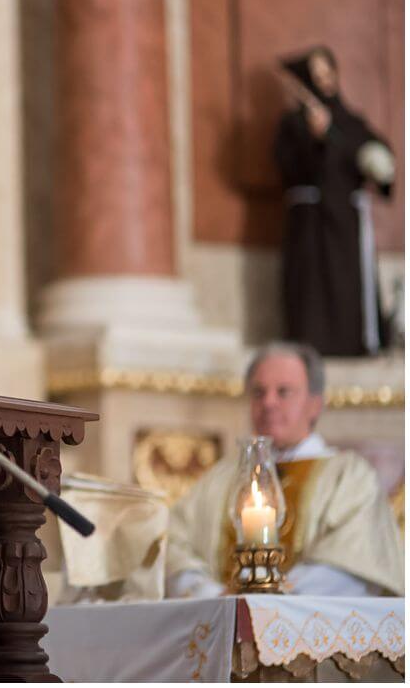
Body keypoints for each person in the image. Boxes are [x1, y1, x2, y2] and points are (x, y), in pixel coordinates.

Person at [166, 343, 402, 598]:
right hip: (220, 623)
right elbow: (173, 550)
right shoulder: (219, 480)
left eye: (283, 392)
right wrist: (214, 597)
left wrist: (273, 599)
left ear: (315, 404)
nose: (268, 402)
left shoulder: (348, 477)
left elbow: (354, 561)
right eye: (258, 392)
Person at [273, 46, 396, 357]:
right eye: (317, 76)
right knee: (312, 292)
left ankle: (355, 342)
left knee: (348, 288)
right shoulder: (292, 124)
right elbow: (286, 166)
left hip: (345, 223)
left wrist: (377, 161)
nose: (325, 81)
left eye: (329, 73)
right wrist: (315, 139)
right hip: (311, 224)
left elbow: (372, 158)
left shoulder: (351, 122)